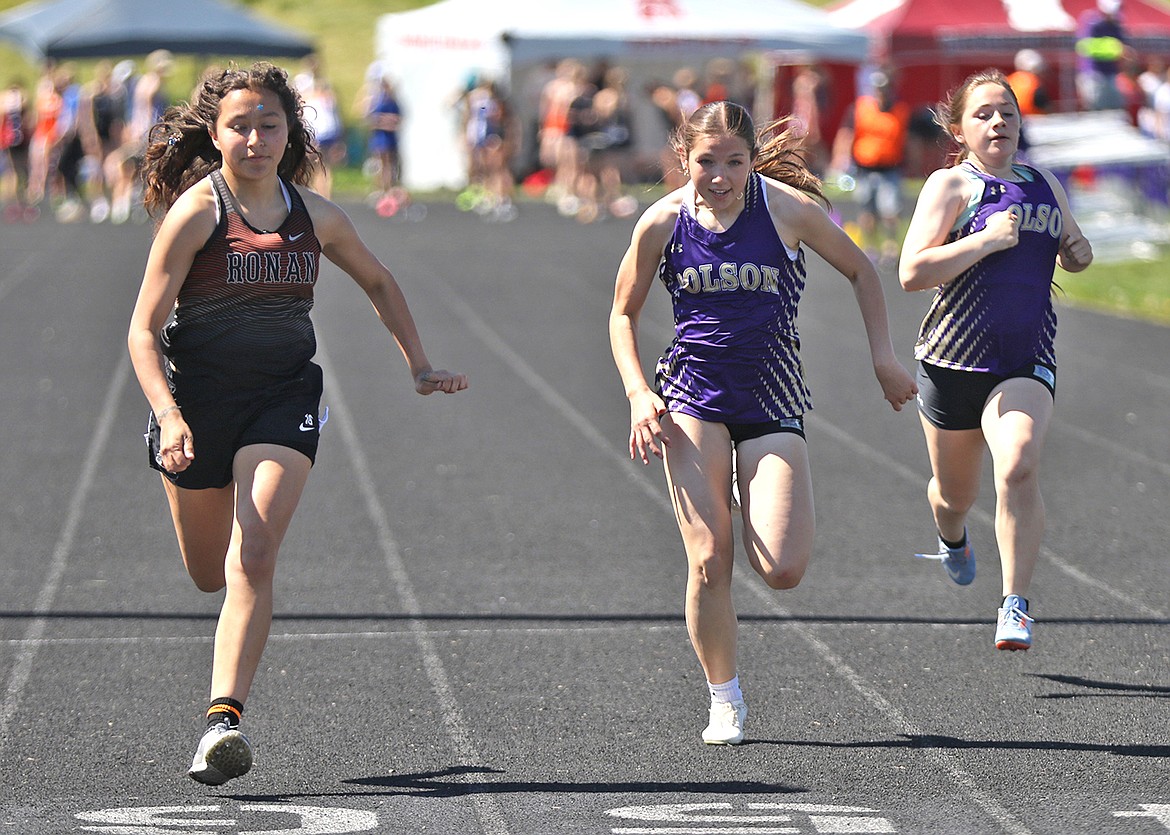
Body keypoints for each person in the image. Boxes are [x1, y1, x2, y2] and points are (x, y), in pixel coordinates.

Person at [126, 62, 468, 786]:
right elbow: (142, 331)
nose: (255, 138)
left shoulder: (317, 214)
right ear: (215, 135)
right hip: (197, 407)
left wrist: (418, 362)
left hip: (285, 396)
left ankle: (223, 719)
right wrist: (168, 413)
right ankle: (186, 465)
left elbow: (377, 279)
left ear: (291, 131)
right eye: (240, 126)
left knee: (252, 555)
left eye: (269, 125)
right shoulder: (199, 212)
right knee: (205, 571)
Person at [609, 100, 916, 746]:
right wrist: (640, 392)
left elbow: (861, 268)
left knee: (781, 568)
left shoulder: (785, 211)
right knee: (708, 560)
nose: (719, 177)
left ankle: (753, 487)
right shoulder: (663, 222)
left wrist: (883, 357)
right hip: (691, 397)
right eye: (706, 162)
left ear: (752, 160)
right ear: (683, 158)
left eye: (734, 162)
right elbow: (621, 313)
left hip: (773, 396)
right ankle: (725, 698)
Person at [898, 69, 1092, 652]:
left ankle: (1015, 604)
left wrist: (1077, 253)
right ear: (959, 129)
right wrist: (982, 240)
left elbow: (1073, 250)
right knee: (955, 494)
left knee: (1017, 465)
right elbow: (912, 273)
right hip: (952, 363)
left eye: (1006, 111)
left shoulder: (1044, 183)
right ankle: (951, 534)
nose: (998, 122)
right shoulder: (950, 187)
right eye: (983, 113)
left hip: (1024, 358)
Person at [830, 70, 911, 266]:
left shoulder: (900, 110)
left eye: (885, 89)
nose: (882, 93)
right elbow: (847, 134)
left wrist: (911, 163)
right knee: (867, 212)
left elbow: (907, 140)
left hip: (890, 169)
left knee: (890, 211)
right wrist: (840, 159)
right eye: (879, 89)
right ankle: (870, 248)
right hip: (865, 169)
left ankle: (890, 248)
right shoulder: (861, 109)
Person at [1076, 0, 1128, 111]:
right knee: (1096, 110)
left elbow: (1123, 47)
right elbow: (1084, 47)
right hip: (1094, 76)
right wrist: (1115, 48)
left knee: (1114, 108)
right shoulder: (1092, 23)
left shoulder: (1116, 26)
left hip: (1111, 75)